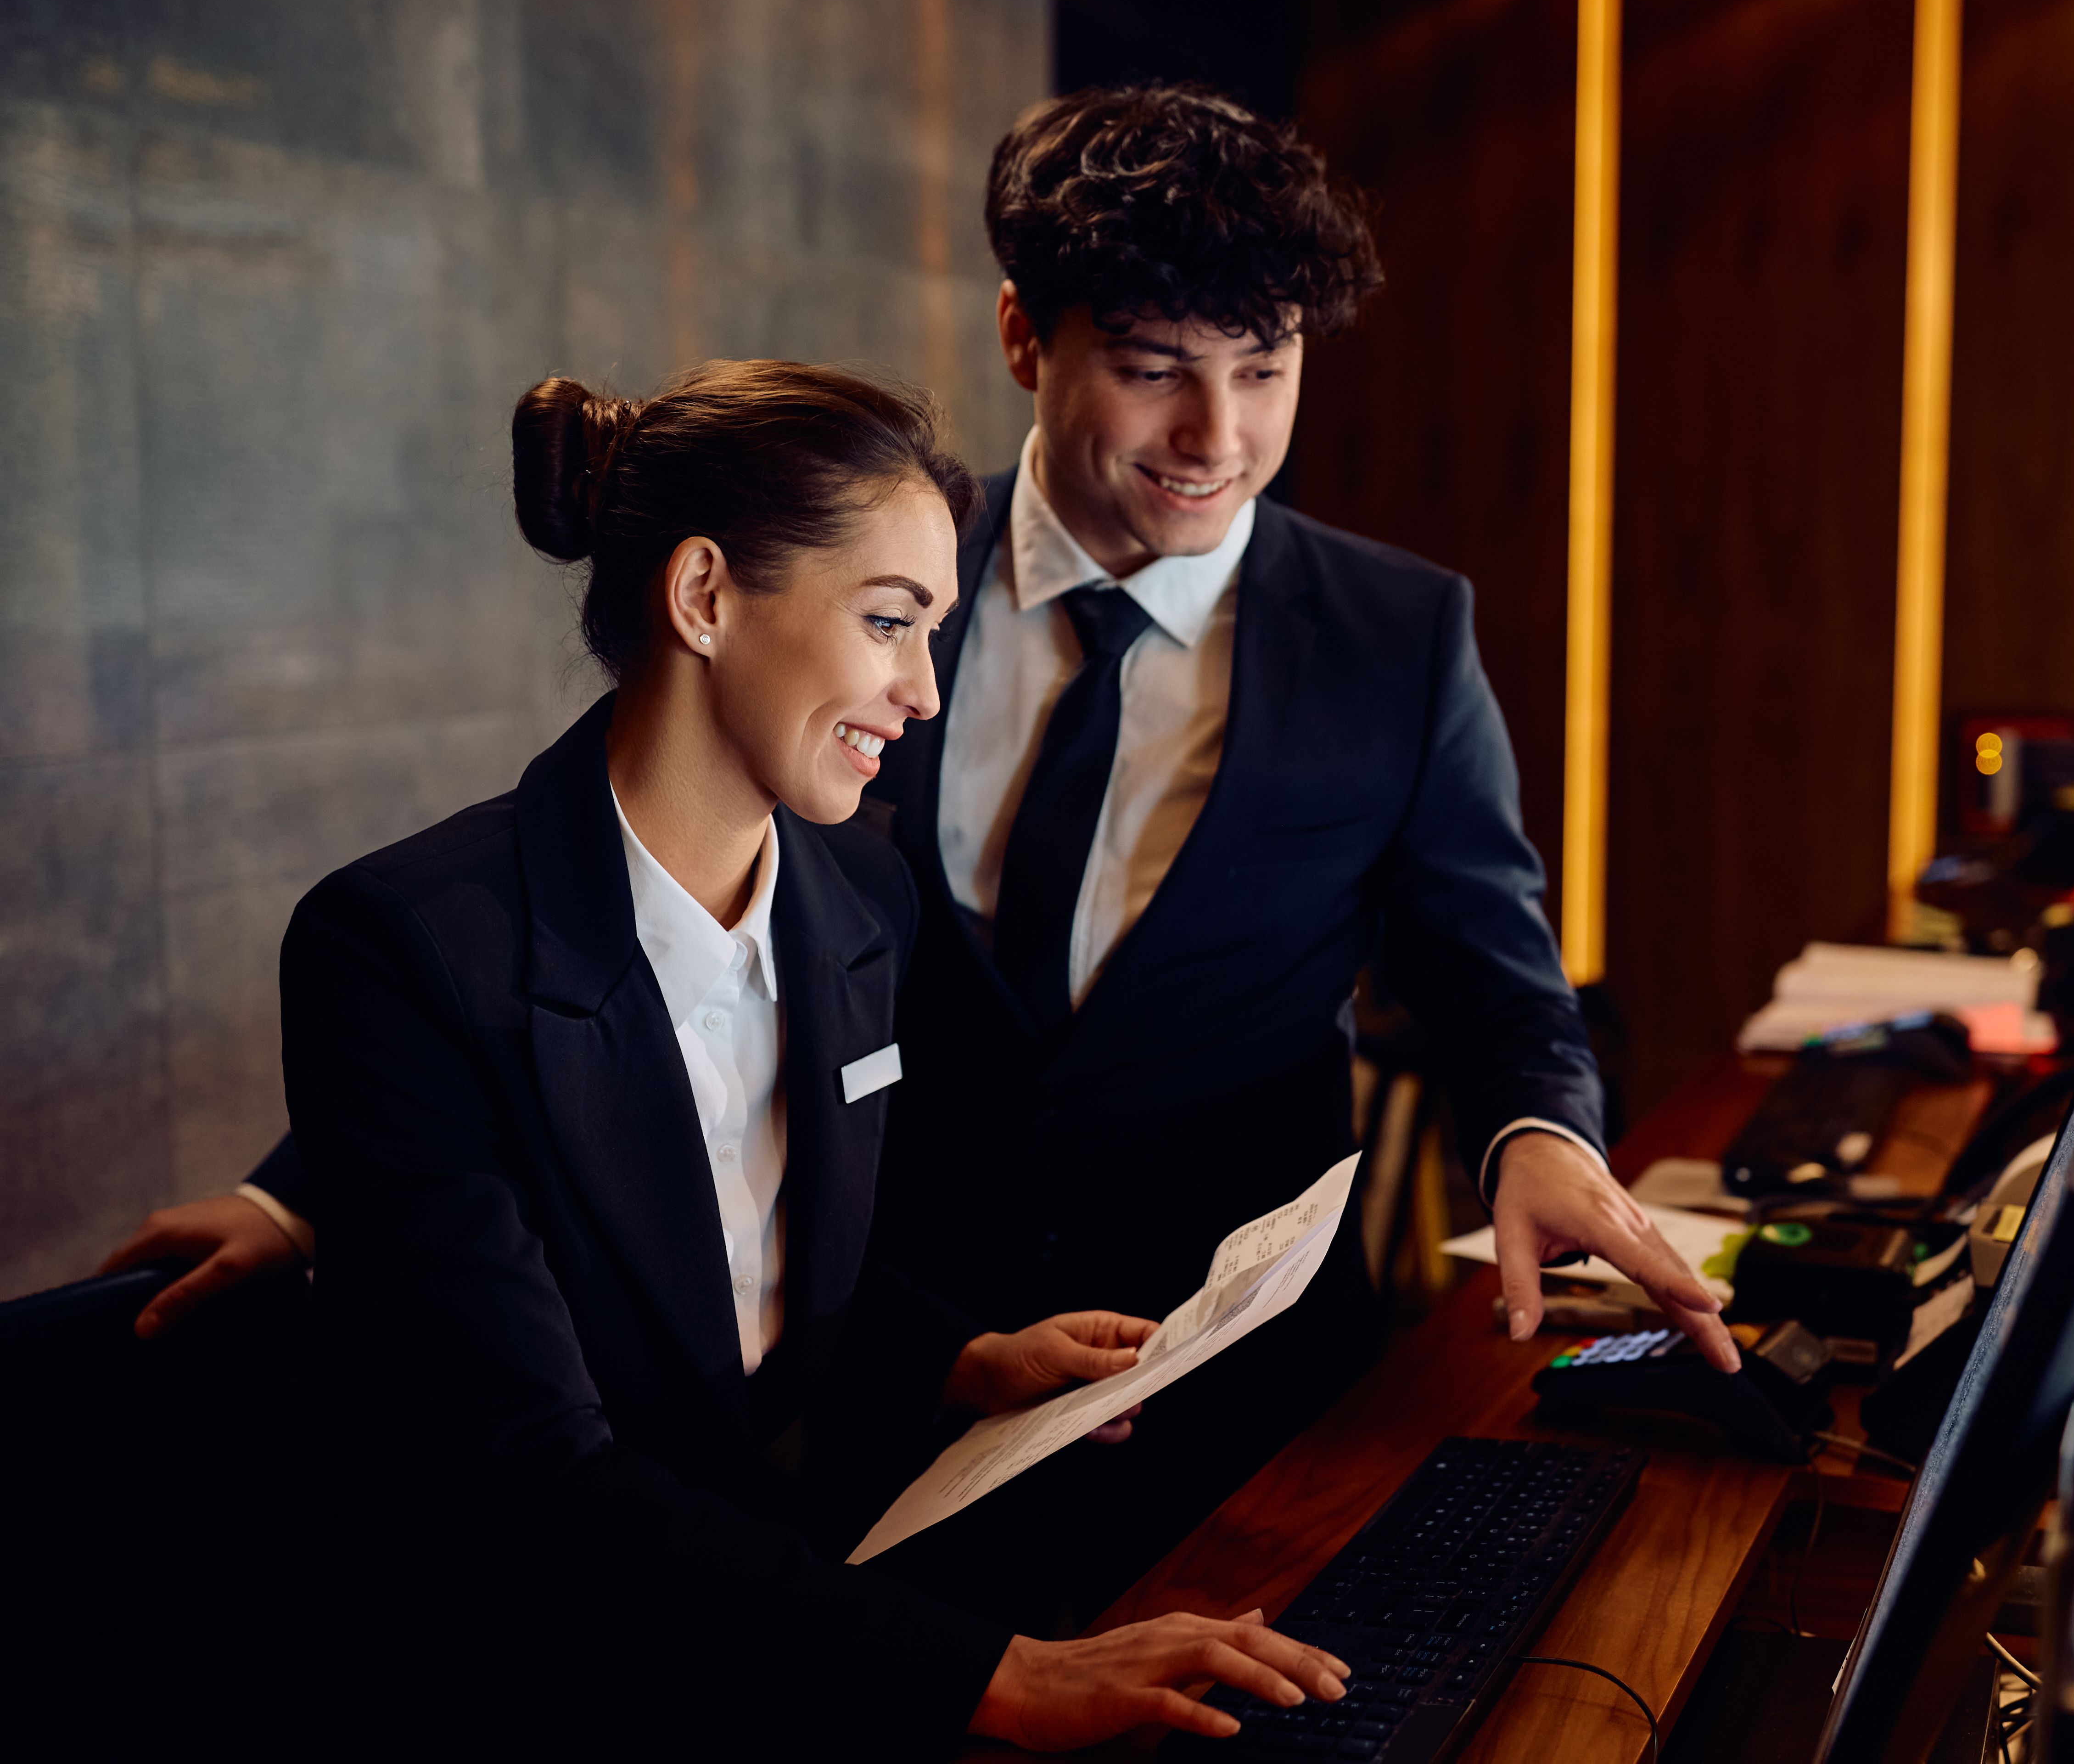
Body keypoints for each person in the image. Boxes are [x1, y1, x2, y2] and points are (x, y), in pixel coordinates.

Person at [104, 82, 1736, 1631]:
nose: (1216, 434)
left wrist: (1542, 1129)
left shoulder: (1396, 634)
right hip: (888, 1373)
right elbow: (588, 926)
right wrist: (319, 1189)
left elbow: (1492, 969)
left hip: (1224, 1392)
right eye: (1155, 368)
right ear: (1027, 336)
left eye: (1266, 370)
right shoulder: (853, 555)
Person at [271, 360, 1350, 1755]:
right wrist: (997, 1676)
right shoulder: (401, 948)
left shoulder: (862, 896)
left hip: (785, 1613)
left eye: (933, 632)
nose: (924, 691)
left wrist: (959, 1359)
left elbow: (743, 1267)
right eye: (890, 623)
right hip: (529, 1680)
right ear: (704, 597)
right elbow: (538, 1483)